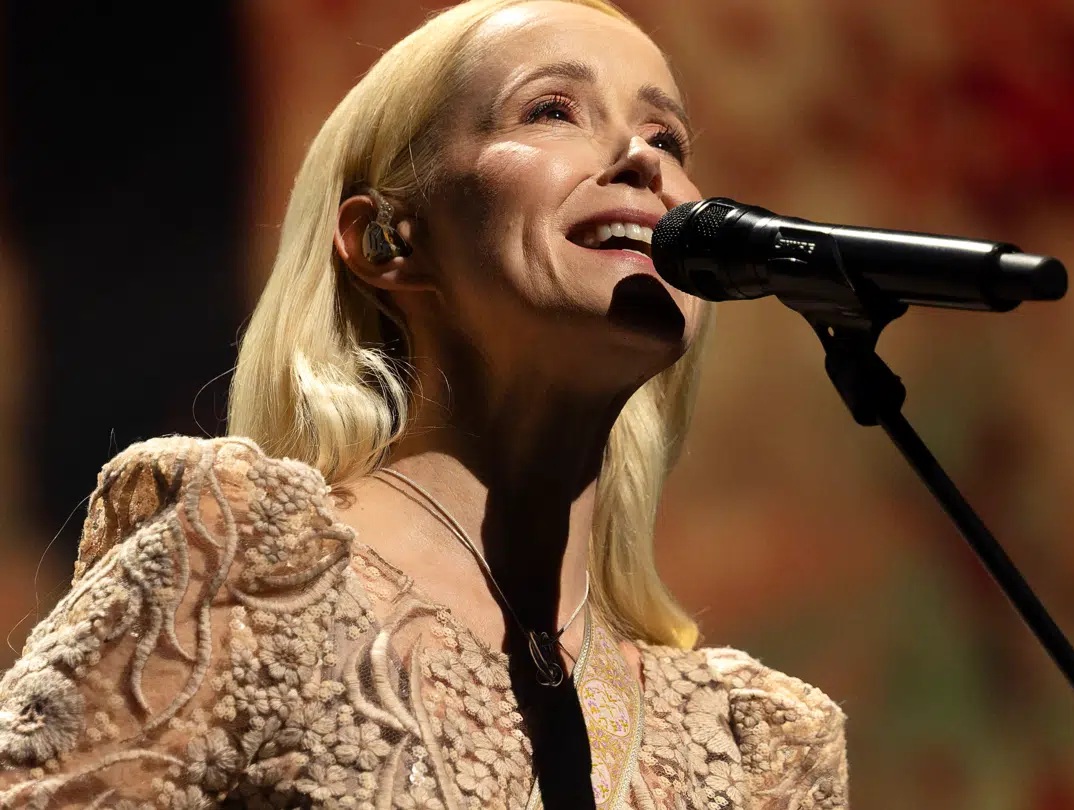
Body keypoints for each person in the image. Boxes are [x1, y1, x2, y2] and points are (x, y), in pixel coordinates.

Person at [0, 1, 849, 807]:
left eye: (667, 135)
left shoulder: (758, 748)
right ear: (386, 242)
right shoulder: (242, 569)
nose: (642, 158)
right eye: (552, 110)